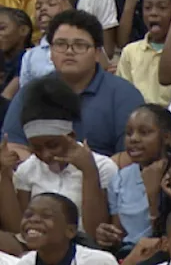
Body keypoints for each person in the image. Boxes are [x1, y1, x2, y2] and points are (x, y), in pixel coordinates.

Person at [2, 10, 144, 156]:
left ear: (97, 53)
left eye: (79, 45)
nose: (69, 51)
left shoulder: (124, 94)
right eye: (61, 44)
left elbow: (132, 155)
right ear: (50, 52)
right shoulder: (31, 91)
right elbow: (13, 145)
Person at [7, 75, 117, 238]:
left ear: (71, 136)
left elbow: (95, 232)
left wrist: (89, 171)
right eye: (36, 148)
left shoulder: (103, 167)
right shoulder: (27, 170)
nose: (46, 155)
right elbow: (20, 231)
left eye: (53, 145)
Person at [98, 104, 171, 252]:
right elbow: (118, 234)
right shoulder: (120, 178)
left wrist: (153, 195)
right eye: (128, 133)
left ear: (166, 137)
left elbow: (170, 236)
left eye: (144, 132)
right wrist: (107, 235)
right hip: (128, 253)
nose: (133, 139)